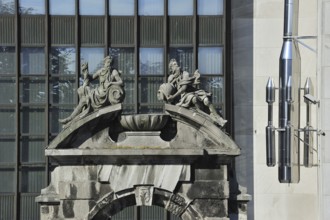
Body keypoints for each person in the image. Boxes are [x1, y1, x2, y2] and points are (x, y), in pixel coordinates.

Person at [163, 58, 227, 127]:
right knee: (193, 98)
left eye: (177, 63)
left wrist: (173, 96)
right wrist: (169, 97)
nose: (177, 65)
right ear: (171, 68)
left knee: (206, 100)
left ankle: (218, 118)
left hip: (191, 92)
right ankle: (204, 117)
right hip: (183, 97)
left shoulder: (185, 74)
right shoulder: (170, 78)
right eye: (175, 64)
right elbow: (169, 90)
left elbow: (183, 88)